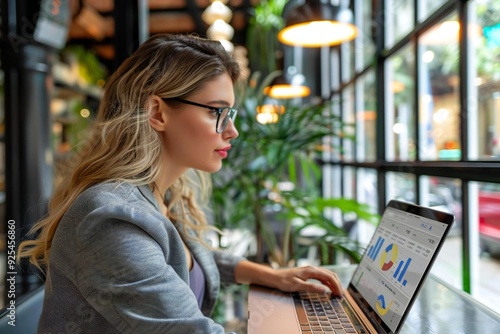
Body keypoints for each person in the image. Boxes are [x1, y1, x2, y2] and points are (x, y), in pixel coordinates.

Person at [18, 33, 342, 333]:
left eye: (231, 114)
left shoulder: (159, 191)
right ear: (158, 112)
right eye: (217, 112)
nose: (232, 131)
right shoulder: (110, 220)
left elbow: (186, 258)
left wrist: (272, 276)